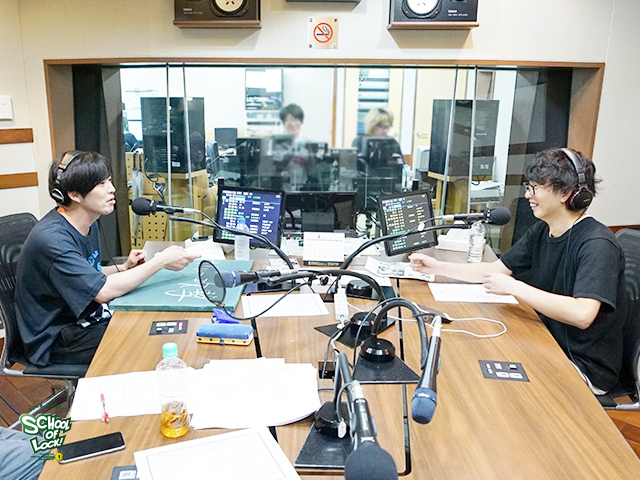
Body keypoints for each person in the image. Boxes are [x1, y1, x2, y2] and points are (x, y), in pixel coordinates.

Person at [410, 147, 627, 394]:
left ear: (567, 193)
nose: (527, 195)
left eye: (535, 188)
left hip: (583, 367)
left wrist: (515, 287)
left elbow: (582, 314)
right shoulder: (543, 230)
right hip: (547, 341)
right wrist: (438, 267)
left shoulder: (597, 244)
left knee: (483, 383)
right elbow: (494, 270)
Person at [15, 151, 200, 367]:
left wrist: (124, 267)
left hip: (85, 320)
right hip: (56, 339)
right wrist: (160, 261)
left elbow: (88, 276)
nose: (111, 189)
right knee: (148, 338)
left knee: (157, 324)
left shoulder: (88, 222)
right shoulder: (54, 240)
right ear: (74, 195)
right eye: (101, 184)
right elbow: (101, 292)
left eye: (109, 181)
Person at [275, 103, 316, 189]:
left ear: (301, 121)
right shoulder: (278, 143)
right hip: (283, 188)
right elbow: (277, 167)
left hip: (302, 188)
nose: (293, 124)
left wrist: (309, 150)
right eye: (289, 120)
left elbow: (312, 167)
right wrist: (290, 152)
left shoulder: (308, 142)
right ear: (283, 123)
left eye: (296, 119)